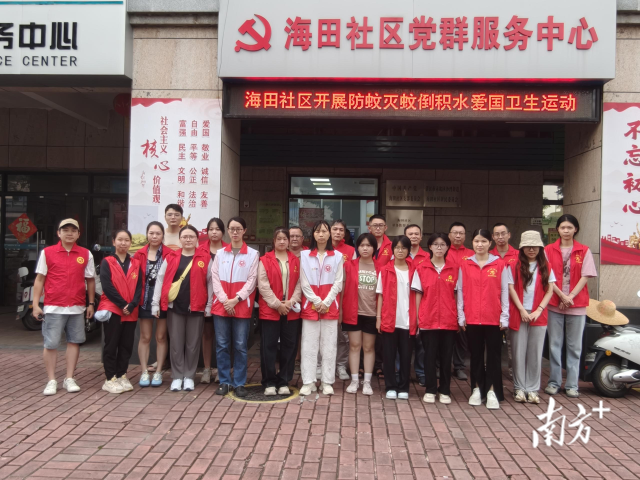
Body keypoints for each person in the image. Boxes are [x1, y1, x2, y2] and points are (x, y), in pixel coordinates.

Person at [33, 219, 96, 396]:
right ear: (58, 233)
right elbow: (40, 279)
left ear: (78, 234)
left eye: (73, 230)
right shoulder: (47, 252)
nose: (69, 233)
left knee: (74, 342)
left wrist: (91, 303)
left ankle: (69, 378)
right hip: (53, 306)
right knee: (51, 344)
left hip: (77, 307)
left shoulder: (86, 254)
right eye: (65, 230)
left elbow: (90, 280)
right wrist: (36, 305)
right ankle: (51, 380)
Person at [544, 214, 597, 398]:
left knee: (574, 347)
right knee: (554, 345)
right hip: (554, 303)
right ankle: (554, 382)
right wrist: (561, 295)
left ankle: (572, 384)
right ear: (557, 230)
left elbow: (586, 275)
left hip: (577, 304)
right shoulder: (548, 250)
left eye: (569, 227)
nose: (566, 231)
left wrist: (570, 296)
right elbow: (547, 276)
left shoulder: (584, 250)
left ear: (576, 229)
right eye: (562, 227)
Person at [152, 225, 210, 392]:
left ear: (197, 239)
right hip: (175, 306)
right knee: (176, 343)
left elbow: (210, 282)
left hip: (197, 307)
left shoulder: (205, 257)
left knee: (193, 344)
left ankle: (189, 376)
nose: (188, 239)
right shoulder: (171, 257)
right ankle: (177, 376)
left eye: (191, 236)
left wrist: (209, 305)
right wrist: (155, 303)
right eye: (185, 237)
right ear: (180, 239)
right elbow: (160, 279)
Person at [457, 229, 509, 410]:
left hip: (494, 318)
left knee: (494, 356)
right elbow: (460, 291)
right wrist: (461, 315)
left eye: (483, 241)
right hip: (472, 318)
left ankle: (492, 391)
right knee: (476, 355)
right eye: (477, 241)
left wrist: (504, 315)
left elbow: (505, 290)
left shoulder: (500, 264)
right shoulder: (465, 264)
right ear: (472, 243)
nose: (480, 245)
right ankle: (477, 389)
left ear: (490, 243)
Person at [210, 217, 259, 398]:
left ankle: (239, 383)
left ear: (244, 230)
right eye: (232, 229)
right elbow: (215, 278)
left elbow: (252, 281)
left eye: (238, 229)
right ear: (228, 231)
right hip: (222, 305)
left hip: (241, 305)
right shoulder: (220, 254)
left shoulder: (253, 254)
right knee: (222, 345)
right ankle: (224, 381)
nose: (235, 232)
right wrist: (225, 300)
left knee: (240, 346)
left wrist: (236, 299)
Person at [507, 231, 555, 404]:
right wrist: (522, 310)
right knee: (518, 352)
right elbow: (511, 288)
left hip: (538, 315)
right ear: (522, 248)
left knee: (535, 352)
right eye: (528, 246)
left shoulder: (546, 266)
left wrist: (539, 310)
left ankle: (533, 389)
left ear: (540, 248)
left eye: (535, 246)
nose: (531, 249)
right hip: (518, 313)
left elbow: (550, 290)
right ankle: (519, 388)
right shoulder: (513, 265)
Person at [412, 233, 458, 405]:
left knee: (446, 357)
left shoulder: (455, 269)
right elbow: (418, 295)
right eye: (436, 244)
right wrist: (418, 318)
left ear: (448, 247)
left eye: (443, 244)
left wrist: (457, 316)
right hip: (428, 320)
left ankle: (445, 390)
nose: (439, 247)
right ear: (430, 247)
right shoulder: (421, 268)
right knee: (429, 356)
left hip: (448, 320)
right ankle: (430, 389)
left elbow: (457, 295)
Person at [299, 220, 344, 396]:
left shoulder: (337, 256)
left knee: (329, 346)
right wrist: (316, 301)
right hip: (310, 307)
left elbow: (338, 282)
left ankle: (327, 381)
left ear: (329, 234)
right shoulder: (304, 255)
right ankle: (308, 381)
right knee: (308, 346)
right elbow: (303, 282)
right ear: (313, 234)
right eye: (318, 231)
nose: (321, 234)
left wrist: (326, 302)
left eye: (324, 231)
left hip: (330, 307)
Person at [257, 227, 302, 396]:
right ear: (274, 241)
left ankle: (284, 381)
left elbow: (300, 284)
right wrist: (277, 304)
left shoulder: (296, 260)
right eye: (279, 239)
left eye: (285, 239)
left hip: (290, 309)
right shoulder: (265, 260)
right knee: (268, 346)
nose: (282, 241)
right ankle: (269, 381)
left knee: (289, 346)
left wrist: (290, 302)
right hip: (270, 309)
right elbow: (263, 285)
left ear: (289, 241)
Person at [99, 230, 143, 394]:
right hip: (113, 308)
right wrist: (122, 304)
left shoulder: (136, 263)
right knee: (111, 344)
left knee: (126, 344)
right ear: (113, 242)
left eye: (126, 240)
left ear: (130, 242)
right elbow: (107, 286)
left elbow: (139, 287)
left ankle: (121, 374)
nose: (123, 243)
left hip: (130, 310)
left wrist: (132, 305)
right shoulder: (107, 262)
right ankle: (110, 378)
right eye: (120, 240)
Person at [376, 236, 416, 400]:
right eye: (397, 247)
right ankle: (391, 386)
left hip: (408, 320)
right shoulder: (385, 270)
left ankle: (404, 387)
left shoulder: (415, 270)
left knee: (406, 356)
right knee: (389, 356)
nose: (400, 251)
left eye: (404, 248)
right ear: (392, 250)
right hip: (389, 318)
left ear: (408, 250)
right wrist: (378, 318)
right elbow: (380, 295)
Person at [134, 221, 171, 388]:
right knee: (145, 337)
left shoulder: (170, 254)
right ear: (147, 234)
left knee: (161, 337)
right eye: (151, 233)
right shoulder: (139, 254)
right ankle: (144, 371)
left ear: (163, 235)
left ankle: (158, 371)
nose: (154, 236)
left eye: (158, 233)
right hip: (144, 299)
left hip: (162, 300)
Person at [341, 233, 379, 396]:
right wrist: (341, 311)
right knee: (354, 346)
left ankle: (367, 382)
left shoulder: (380, 267)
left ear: (374, 248)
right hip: (353, 312)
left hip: (372, 313)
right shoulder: (348, 266)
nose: (365, 248)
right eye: (362, 245)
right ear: (357, 247)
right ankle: (355, 380)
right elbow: (342, 290)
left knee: (369, 347)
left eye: (369, 245)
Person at [199, 218, 227, 384]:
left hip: (224, 300)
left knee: (223, 337)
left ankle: (222, 369)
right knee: (207, 334)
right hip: (205, 299)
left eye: (217, 229)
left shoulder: (228, 249)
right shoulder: (200, 250)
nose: (214, 232)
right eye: (211, 229)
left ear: (223, 232)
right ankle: (207, 368)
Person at [447, 221, 474, 381]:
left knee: (462, 335)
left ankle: (459, 366)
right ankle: (441, 365)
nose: (458, 236)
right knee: (445, 335)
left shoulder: (471, 254)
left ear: (465, 236)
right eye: (455, 233)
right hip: (446, 298)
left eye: (461, 233)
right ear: (449, 235)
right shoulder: (443, 251)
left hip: (465, 300)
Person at [328, 219, 354, 382]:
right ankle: (323, 365)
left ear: (345, 233)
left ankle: (341, 366)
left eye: (341, 230)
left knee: (344, 337)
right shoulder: (322, 248)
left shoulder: (351, 251)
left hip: (344, 298)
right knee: (325, 336)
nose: (338, 232)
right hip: (325, 299)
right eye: (335, 229)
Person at [404, 223, 427, 386]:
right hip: (402, 303)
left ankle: (421, 372)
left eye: (416, 234)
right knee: (402, 342)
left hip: (422, 303)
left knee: (421, 342)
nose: (413, 236)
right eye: (410, 234)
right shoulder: (398, 255)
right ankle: (401, 371)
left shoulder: (428, 257)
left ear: (421, 236)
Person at [289, 226, 306, 374]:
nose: (294, 239)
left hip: (306, 299)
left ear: (302, 239)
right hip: (286, 300)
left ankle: (300, 359)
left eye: (297, 236)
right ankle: (291, 359)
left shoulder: (308, 254)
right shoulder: (281, 253)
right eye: (291, 236)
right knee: (291, 332)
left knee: (303, 332)